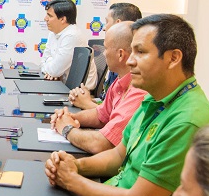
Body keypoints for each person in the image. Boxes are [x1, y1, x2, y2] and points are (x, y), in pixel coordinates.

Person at [45, 14, 209, 196]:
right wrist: (75, 167)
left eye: (140, 52)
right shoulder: (155, 98)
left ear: (173, 58)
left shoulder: (186, 120)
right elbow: (117, 156)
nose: (130, 60)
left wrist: (72, 180)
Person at [50, 22, 147, 153]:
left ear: (120, 54)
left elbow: (102, 143)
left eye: (106, 48)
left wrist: (67, 128)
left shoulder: (139, 90)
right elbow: (101, 115)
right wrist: (69, 117)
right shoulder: (120, 81)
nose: (104, 54)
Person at [99, 2, 143, 99]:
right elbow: (107, 107)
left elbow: (112, 111)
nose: (104, 28)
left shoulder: (136, 86)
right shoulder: (118, 74)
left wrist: (86, 103)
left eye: (107, 22)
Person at [41, 0, 89, 81]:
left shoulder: (72, 36)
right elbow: (43, 61)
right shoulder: (53, 32)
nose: (45, 18)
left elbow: (54, 71)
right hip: (62, 83)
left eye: (50, 16)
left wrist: (52, 67)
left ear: (63, 19)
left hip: (78, 90)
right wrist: (52, 66)